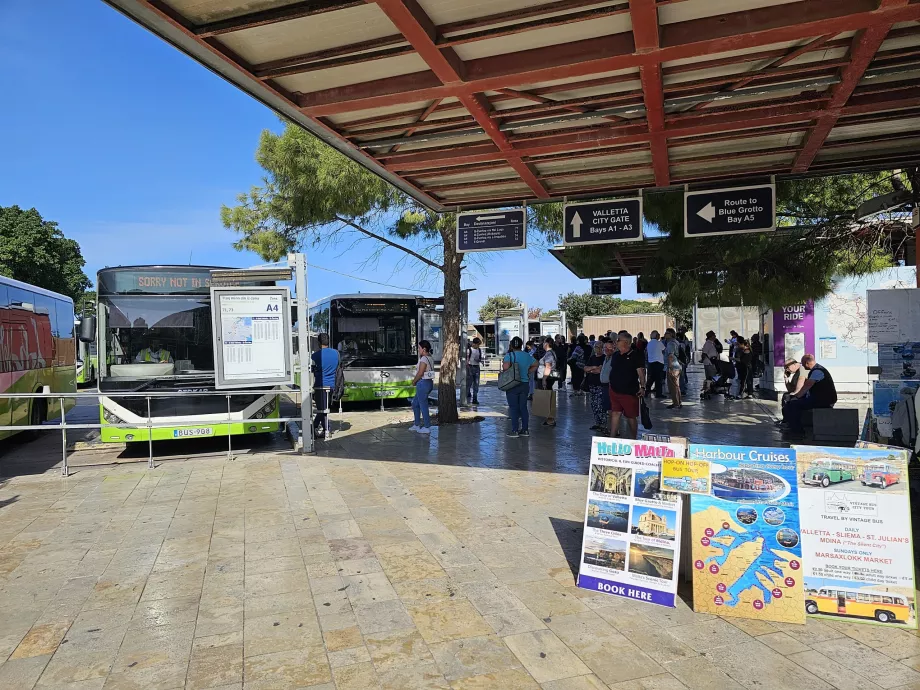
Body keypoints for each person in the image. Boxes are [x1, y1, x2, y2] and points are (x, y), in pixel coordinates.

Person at [780, 354, 838, 434]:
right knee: (793, 402)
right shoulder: (818, 369)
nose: (802, 366)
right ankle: (792, 426)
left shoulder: (817, 371)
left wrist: (797, 396)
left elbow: (807, 386)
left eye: (803, 364)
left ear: (807, 362)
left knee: (793, 405)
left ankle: (797, 430)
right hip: (820, 398)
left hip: (824, 400)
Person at [608, 331, 646, 439]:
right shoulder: (615, 355)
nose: (616, 342)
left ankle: (634, 438)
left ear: (625, 342)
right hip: (614, 390)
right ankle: (612, 437)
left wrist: (643, 387)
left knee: (631, 417)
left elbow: (641, 373)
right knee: (615, 413)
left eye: (618, 340)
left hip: (629, 392)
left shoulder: (635, 355)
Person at [502, 336, 537, 437]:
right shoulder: (527, 355)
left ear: (512, 345)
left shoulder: (509, 355)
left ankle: (514, 430)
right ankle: (525, 430)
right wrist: (528, 371)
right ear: (521, 345)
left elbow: (505, 368)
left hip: (512, 384)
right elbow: (536, 364)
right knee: (523, 407)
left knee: (513, 408)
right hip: (525, 384)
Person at [311, 333, 339, 437]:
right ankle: (324, 429)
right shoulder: (336, 353)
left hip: (320, 386)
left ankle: (320, 429)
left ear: (319, 343)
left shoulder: (315, 356)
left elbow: (312, 370)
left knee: (321, 409)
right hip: (332, 386)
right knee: (324, 408)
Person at [409, 340, 435, 435]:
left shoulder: (424, 359)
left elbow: (420, 373)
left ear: (424, 349)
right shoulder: (429, 357)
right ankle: (417, 424)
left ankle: (427, 426)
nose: (418, 350)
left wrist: (414, 381)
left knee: (423, 405)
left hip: (423, 383)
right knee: (415, 403)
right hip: (427, 383)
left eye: (419, 348)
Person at [584, 340, 608, 433]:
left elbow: (599, 370)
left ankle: (603, 424)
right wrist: (593, 368)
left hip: (600, 385)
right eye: (596, 347)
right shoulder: (592, 357)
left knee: (600, 405)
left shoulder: (604, 358)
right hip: (592, 385)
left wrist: (592, 369)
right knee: (594, 404)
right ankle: (597, 423)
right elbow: (586, 368)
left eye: (599, 347)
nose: (597, 349)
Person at [538, 337, 559, 426]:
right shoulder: (550, 353)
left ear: (546, 344)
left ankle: (550, 419)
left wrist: (544, 379)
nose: (542, 344)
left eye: (543, 343)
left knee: (548, 398)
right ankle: (549, 418)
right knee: (548, 398)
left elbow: (548, 367)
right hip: (549, 378)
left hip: (548, 378)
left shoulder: (549, 354)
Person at [665, 330, 683, 410]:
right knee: (676, 385)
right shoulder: (676, 342)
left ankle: (676, 404)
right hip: (678, 366)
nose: (665, 334)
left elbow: (670, 356)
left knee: (673, 386)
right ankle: (678, 402)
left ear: (671, 334)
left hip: (673, 366)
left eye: (666, 333)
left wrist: (670, 367)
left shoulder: (670, 344)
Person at [700, 330, 720, 398]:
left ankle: (712, 388)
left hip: (713, 362)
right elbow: (704, 353)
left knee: (713, 376)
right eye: (714, 335)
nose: (715, 336)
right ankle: (709, 389)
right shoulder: (708, 344)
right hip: (709, 362)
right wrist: (702, 360)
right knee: (711, 377)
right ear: (711, 336)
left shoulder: (712, 343)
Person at [645, 330, 665, 399]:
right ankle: (659, 394)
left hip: (651, 362)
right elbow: (664, 350)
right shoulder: (659, 343)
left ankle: (646, 391)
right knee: (658, 379)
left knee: (651, 378)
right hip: (659, 362)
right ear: (657, 336)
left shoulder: (649, 343)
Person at [466, 337, 484, 405]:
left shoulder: (479, 350)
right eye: (477, 344)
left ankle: (475, 398)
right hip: (470, 367)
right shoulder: (469, 350)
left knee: (476, 384)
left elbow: (480, 358)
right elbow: (467, 360)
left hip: (477, 367)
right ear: (474, 343)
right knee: (469, 383)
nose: (478, 346)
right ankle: (467, 395)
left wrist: (480, 360)